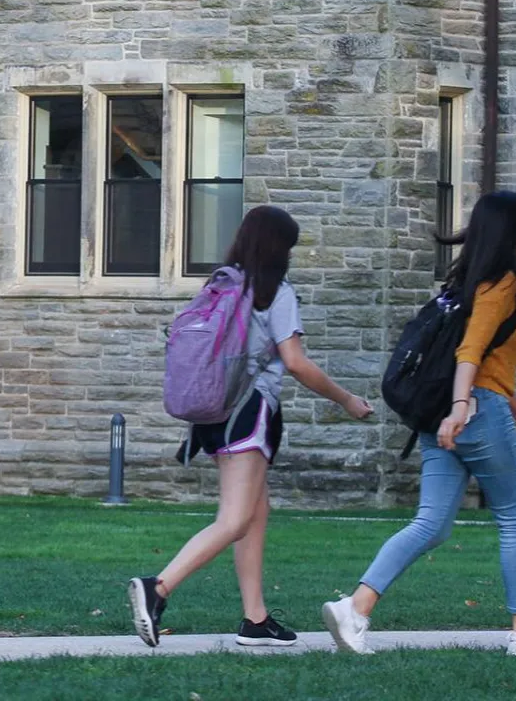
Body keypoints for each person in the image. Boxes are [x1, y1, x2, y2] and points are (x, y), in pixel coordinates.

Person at [322, 190, 516, 657]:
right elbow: (470, 353)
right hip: (472, 412)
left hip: (447, 414)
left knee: (432, 524)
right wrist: (462, 407)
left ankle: (355, 609)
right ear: (512, 230)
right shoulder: (501, 284)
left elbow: (488, 359)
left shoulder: (467, 283)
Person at [129, 205, 374, 648]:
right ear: (279, 248)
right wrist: (347, 400)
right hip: (249, 412)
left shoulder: (222, 284)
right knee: (235, 518)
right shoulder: (273, 291)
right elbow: (296, 363)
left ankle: (255, 619)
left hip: (215, 412)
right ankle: (157, 588)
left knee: (256, 514)